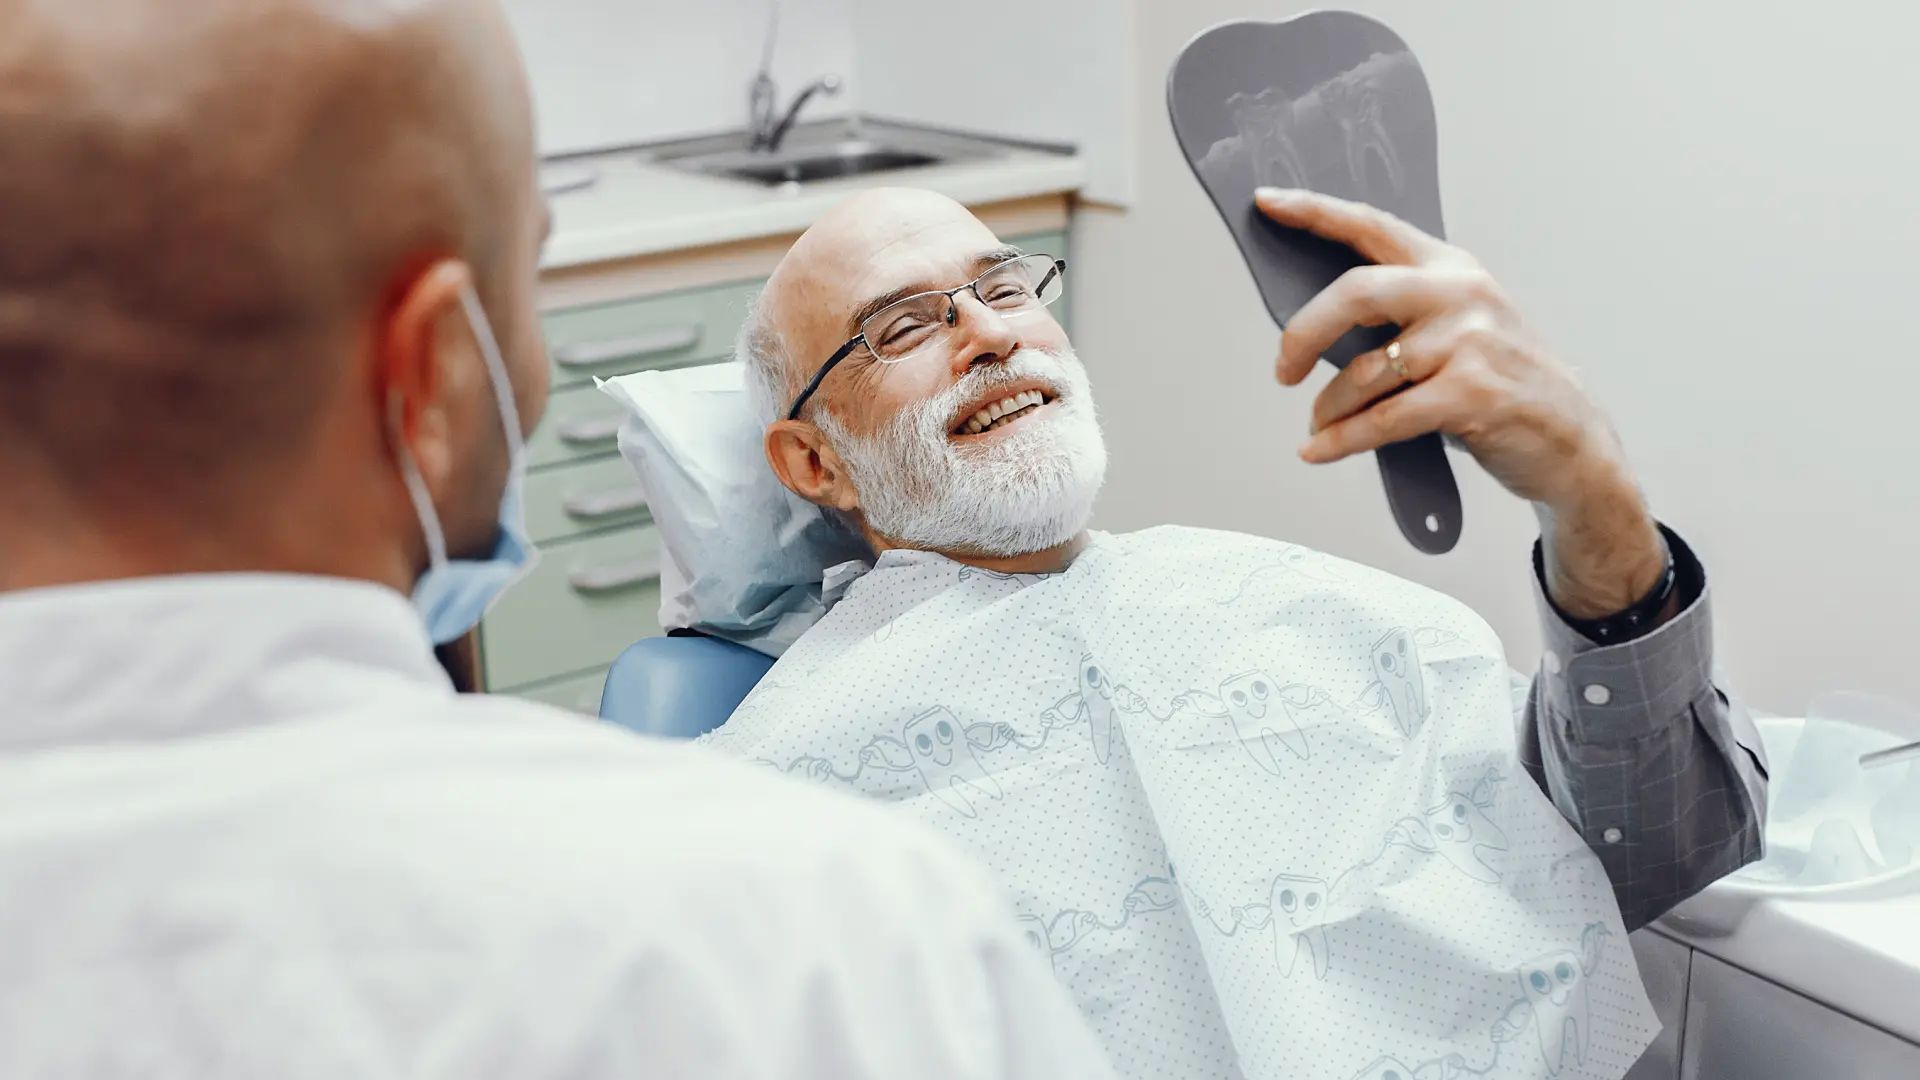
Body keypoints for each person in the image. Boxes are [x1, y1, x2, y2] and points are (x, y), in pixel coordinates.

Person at [0, 3, 1117, 1077]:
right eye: (525, 281)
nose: (986, 332)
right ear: (433, 378)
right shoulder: (814, 946)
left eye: (1004, 287)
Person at [708, 186, 1769, 1080]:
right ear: (815, 462)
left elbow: (1666, 846)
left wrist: (1592, 497)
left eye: (1000, 287)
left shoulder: (1299, 610)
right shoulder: (772, 795)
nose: (989, 332)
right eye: (902, 326)